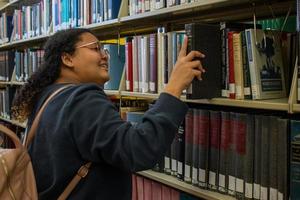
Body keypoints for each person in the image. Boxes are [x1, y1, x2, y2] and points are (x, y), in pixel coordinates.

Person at [11, 28, 205, 200]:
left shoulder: (47, 98)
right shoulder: (81, 98)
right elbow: (139, 150)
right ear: (67, 58)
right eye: (95, 48)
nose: (105, 56)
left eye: (103, 49)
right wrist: (174, 87)